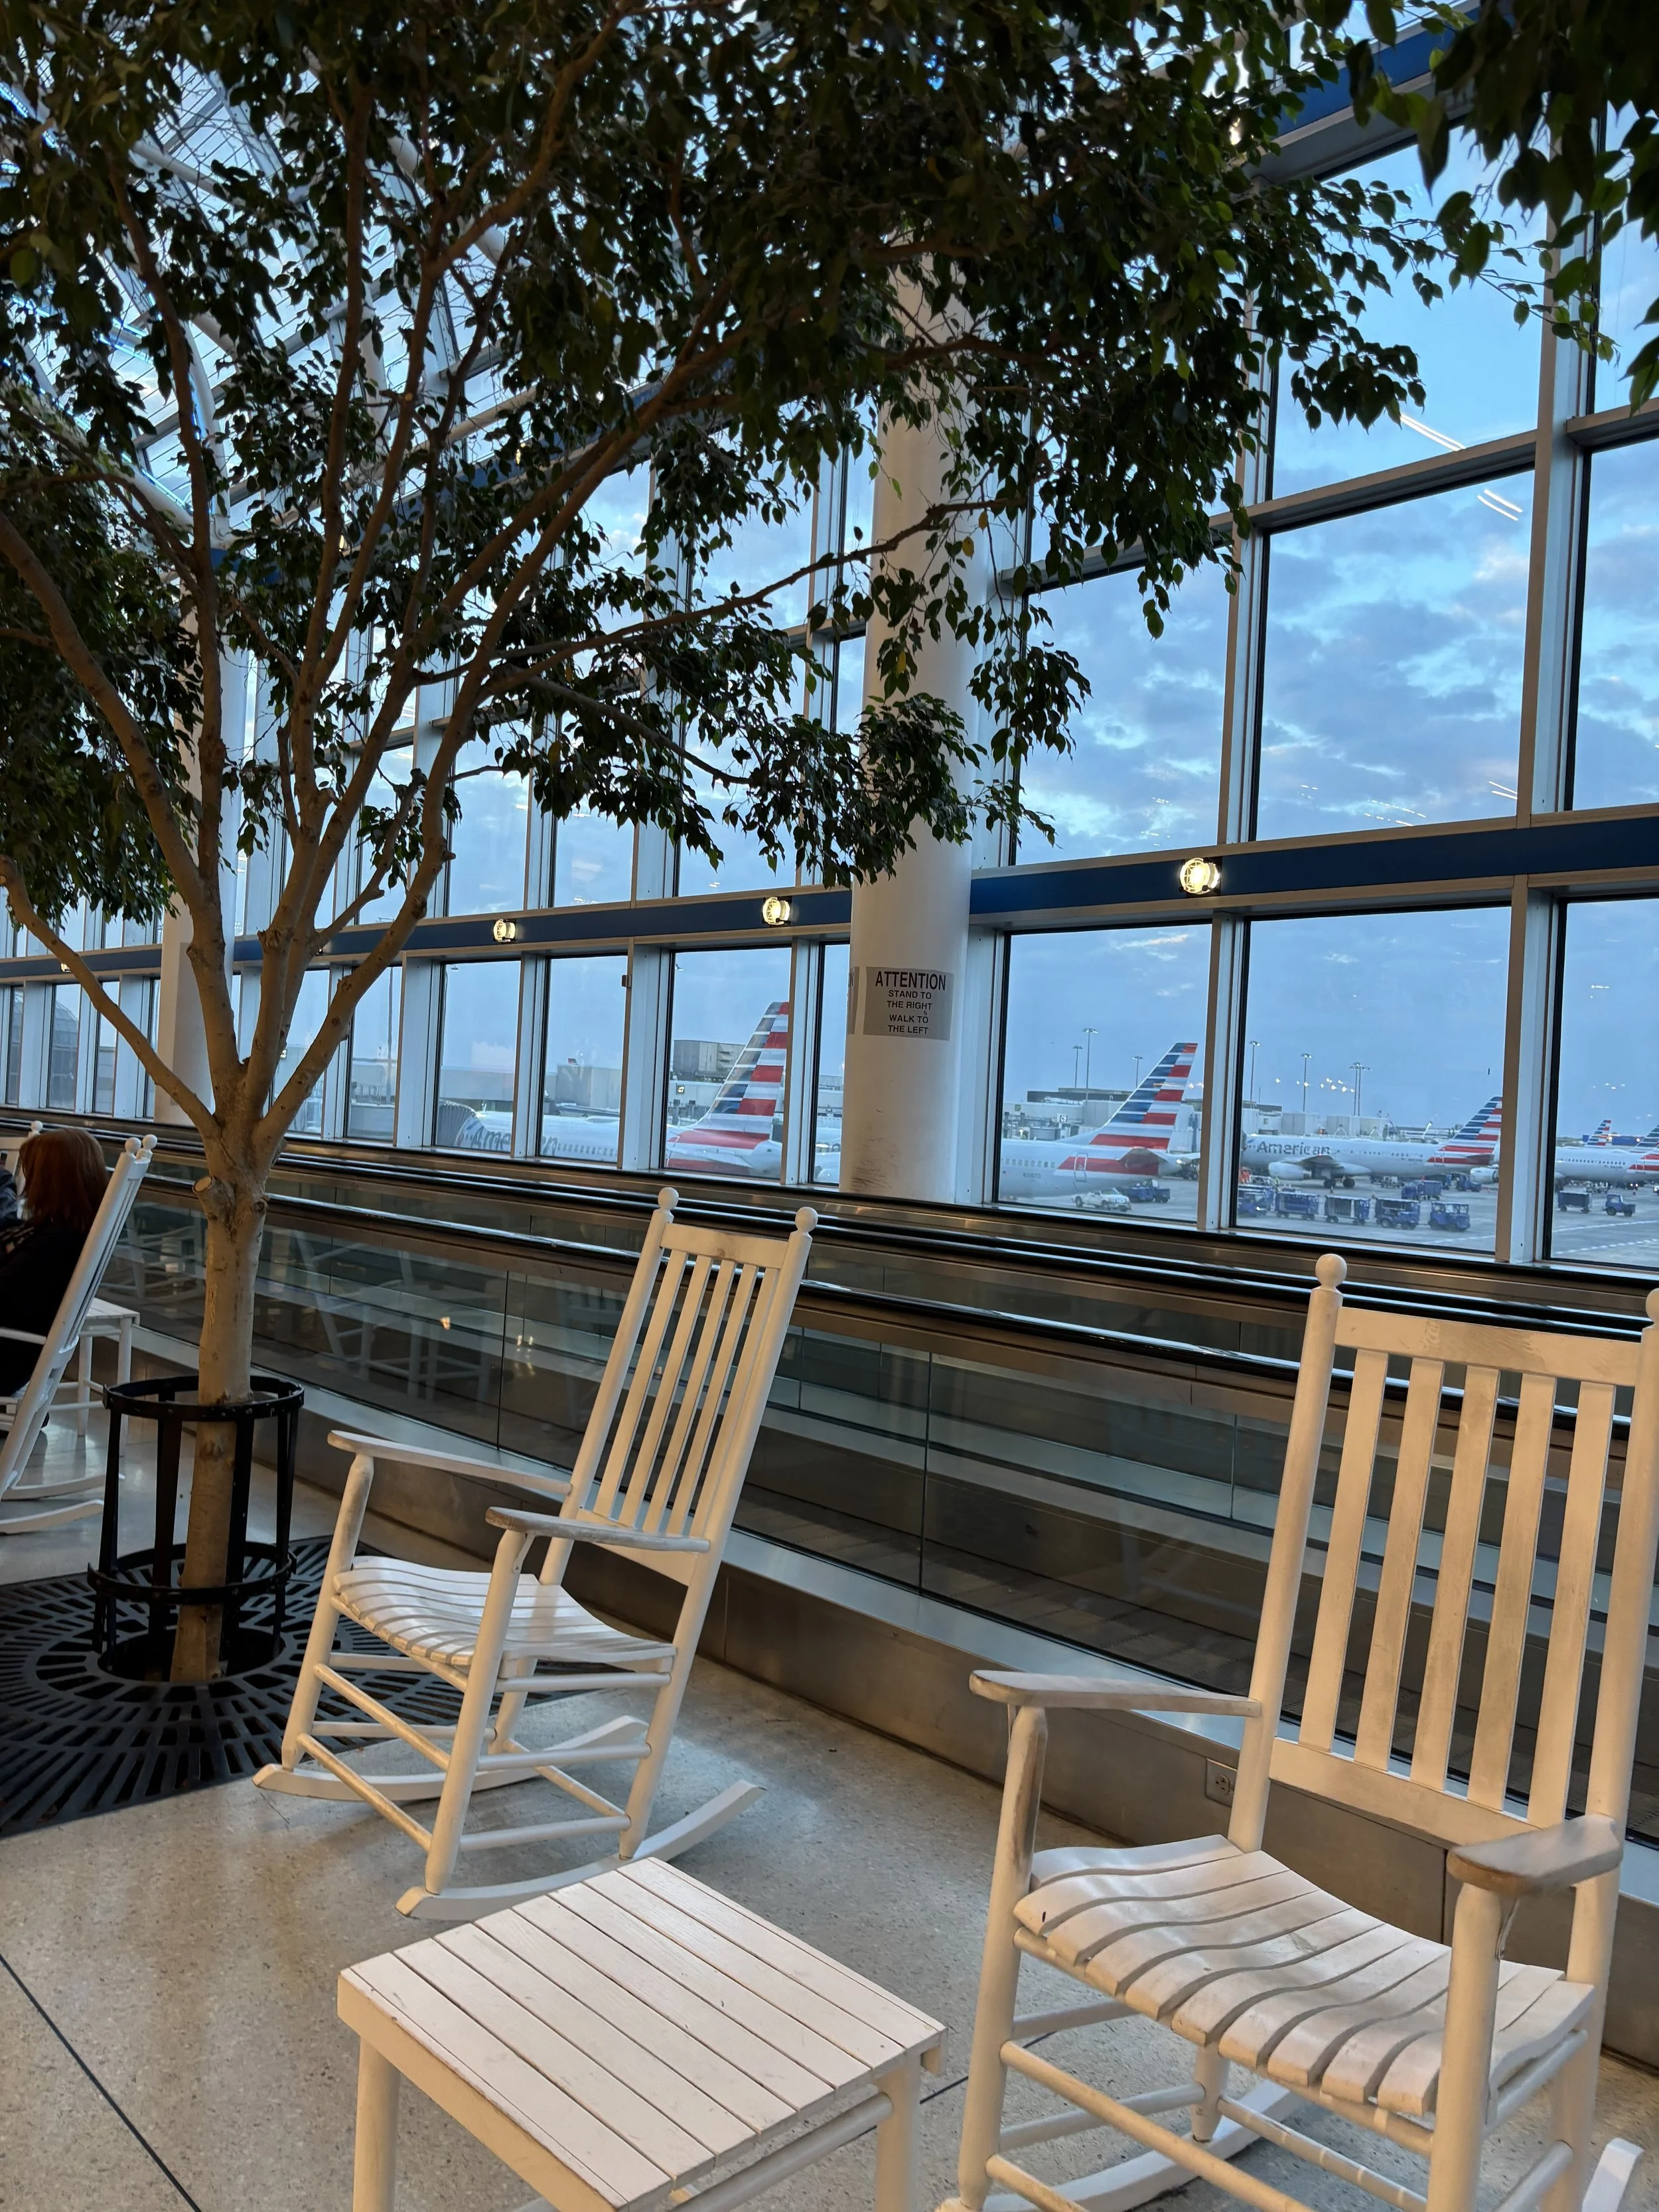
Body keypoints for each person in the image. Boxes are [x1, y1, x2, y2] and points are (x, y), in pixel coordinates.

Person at [0, 1128, 108, 1395]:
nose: (26, 1184)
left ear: (49, 1182)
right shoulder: (61, 1233)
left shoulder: (56, 1245)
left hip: (6, 1359)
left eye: (31, 1174)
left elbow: (6, 1297)